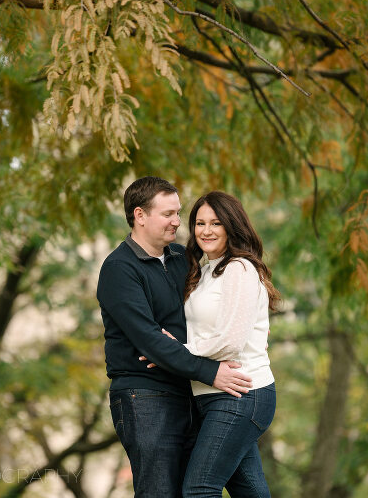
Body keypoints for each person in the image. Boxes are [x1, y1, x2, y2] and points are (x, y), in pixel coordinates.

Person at [96, 177, 254, 497]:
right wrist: (210, 370)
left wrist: (174, 347)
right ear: (140, 215)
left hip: (192, 392)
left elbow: (201, 319)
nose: (177, 222)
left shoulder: (183, 258)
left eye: (178, 213)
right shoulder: (119, 269)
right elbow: (149, 339)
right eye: (168, 214)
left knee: (197, 489)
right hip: (146, 397)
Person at [143, 191, 279, 497]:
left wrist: (173, 352)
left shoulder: (239, 269)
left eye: (216, 223)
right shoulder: (205, 272)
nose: (206, 230)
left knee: (199, 489)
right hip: (214, 396)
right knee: (250, 491)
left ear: (232, 226)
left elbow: (230, 342)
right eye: (200, 223)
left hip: (243, 393)